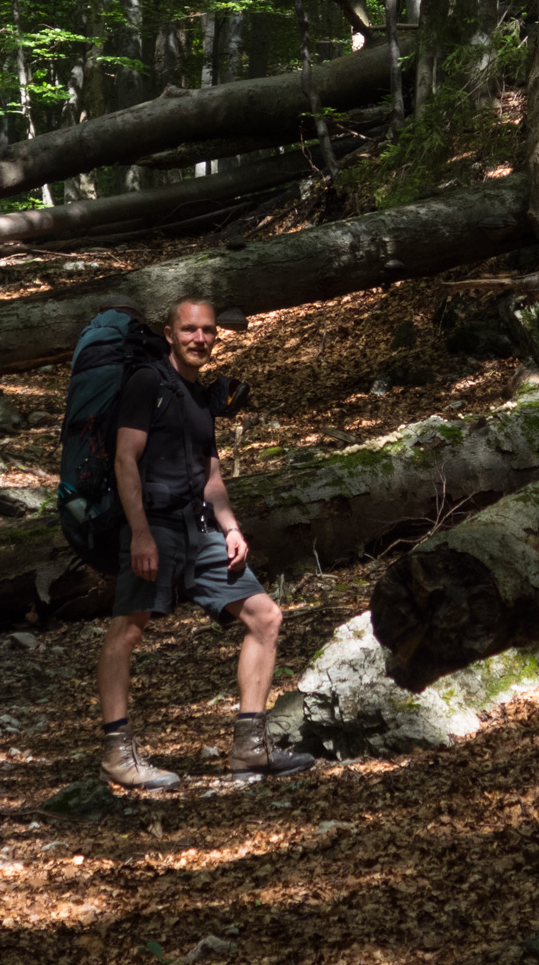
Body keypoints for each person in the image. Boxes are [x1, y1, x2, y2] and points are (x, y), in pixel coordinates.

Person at [97, 296, 314, 788]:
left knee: (265, 617)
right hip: (153, 524)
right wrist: (141, 534)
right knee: (127, 631)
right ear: (170, 334)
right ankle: (116, 754)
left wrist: (231, 527)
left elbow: (211, 474)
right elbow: (124, 459)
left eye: (209, 331)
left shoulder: (200, 396)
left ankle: (250, 749)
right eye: (190, 330)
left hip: (200, 530)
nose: (201, 339)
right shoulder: (147, 382)